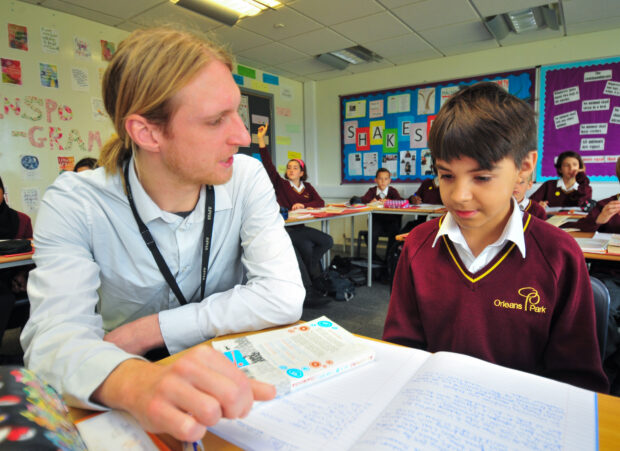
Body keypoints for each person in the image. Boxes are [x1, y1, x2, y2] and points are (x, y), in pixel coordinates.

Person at [21, 27, 304, 443]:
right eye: (215, 121)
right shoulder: (76, 202)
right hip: (120, 374)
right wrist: (134, 382)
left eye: (236, 113)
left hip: (222, 372)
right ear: (147, 133)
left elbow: (283, 295)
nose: (243, 136)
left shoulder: (246, 178)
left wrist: (146, 330)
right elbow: (50, 343)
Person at [383, 82, 608, 393]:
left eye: (482, 177)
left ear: (524, 167)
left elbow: (579, 381)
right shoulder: (418, 244)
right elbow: (401, 350)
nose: (459, 196)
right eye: (446, 175)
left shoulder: (558, 253)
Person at [257, 123, 333, 301]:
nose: (290, 170)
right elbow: (268, 165)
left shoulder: (307, 187)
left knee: (327, 241)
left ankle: (311, 273)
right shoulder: (281, 184)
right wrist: (261, 140)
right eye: (288, 167)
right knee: (306, 247)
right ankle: (312, 285)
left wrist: (304, 205)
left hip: (301, 227)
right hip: (287, 228)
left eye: (295, 168)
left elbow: (320, 202)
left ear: (302, 172)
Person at [0, 176, 33, 349]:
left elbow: (32, 256)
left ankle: (30, 349)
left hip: (16, 276)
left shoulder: (22, 220)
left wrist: (22, 275)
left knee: (41, 289)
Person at [360, 168, 403, 261]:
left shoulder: (392, 191)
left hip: (391, 221)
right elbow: (363, 199)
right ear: (375, 180)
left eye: (386, 179)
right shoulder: (372, 191)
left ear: (389, 180)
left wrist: (390, 201)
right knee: (372, 234)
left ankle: (388, 258)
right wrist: (370, 201)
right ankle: (374, 258)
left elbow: (400, 200)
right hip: (377, 220)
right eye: (380, 178)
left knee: (394, 234)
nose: (383, 181)